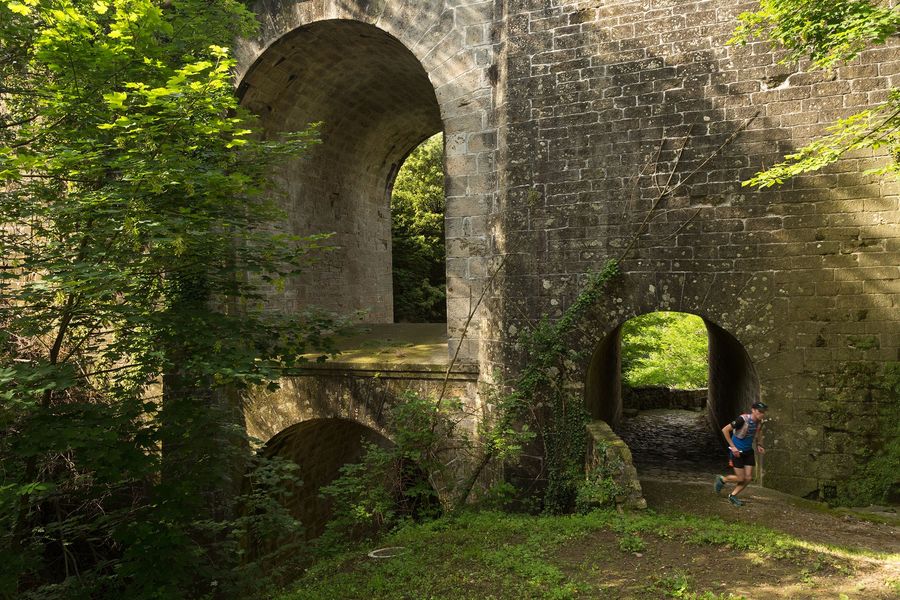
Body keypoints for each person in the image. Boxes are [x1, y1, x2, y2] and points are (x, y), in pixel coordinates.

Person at [714, 401, 768, 506]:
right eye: (759, 411)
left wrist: (759, 445)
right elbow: (725, 430)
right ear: (753, 410)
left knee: (748, 478)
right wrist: (733, 447)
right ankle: (722, 479)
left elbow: (758, 432)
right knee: (740, 478)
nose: (762, 414)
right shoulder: (742, 419)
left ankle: (732, 496)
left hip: (748, 452)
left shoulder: (759, 422)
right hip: (737, 452)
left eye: (763, 412)